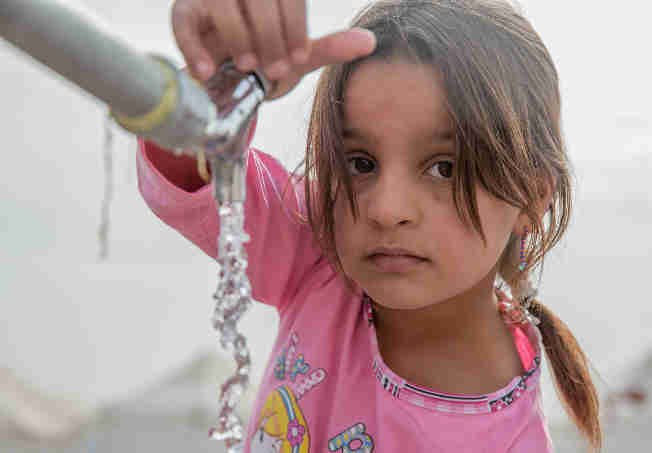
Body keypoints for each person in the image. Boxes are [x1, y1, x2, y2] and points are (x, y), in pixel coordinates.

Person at [138, 0, 601, 451]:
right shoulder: (319, 247)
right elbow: (197, 170)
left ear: (532, 197)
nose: (385, 208)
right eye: (361, 163)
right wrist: (216, 86)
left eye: (443, 168)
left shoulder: (509, 441)